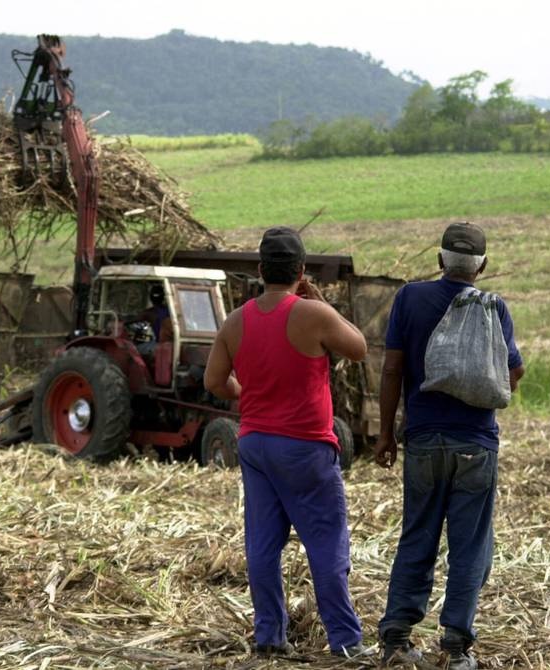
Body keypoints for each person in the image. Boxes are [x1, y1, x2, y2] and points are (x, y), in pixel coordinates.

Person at [203, 226, 372, 659]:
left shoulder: (235, 321)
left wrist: (247, 395)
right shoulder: (312, 314)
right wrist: (317, 301)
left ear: (260, 270)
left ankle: (268, 637)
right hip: (305, 446)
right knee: (326, 542)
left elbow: (214, 382)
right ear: (300, 271)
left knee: (261, 545)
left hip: (255, 443)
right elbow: (358, 348)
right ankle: (346, 642)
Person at [374, 222, 525, 669]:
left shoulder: (410, 298)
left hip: (422, 442)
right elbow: (513, 373)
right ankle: (456, 648)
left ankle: (396, 641)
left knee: (416, 537)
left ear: (440, 260)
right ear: (483, 267)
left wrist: (386, 433)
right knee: (469, 546)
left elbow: (390, 371)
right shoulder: (494, 307)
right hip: (476, 446)